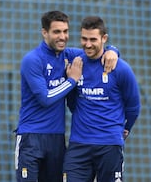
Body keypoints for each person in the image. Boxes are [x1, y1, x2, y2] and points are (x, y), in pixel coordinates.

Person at [14, 10, 119, 182]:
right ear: (44, 32)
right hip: (31, 138)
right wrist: (72, 80)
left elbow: (95, 50)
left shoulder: (68, 55)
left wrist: (112, 51)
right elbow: (45, 98)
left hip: (57, 139)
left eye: (65, 31)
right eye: (56, 32)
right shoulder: (32, 60)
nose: (62, 37)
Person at [62, 16, 141, 182]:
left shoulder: (121, 69)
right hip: (79, 144)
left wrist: (126, 127)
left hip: (109, 145)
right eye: (84, 39)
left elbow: (133, 106)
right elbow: (73, 103)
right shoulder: (76, 61)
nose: (88, 44)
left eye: (93, 39)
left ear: (104, 38)